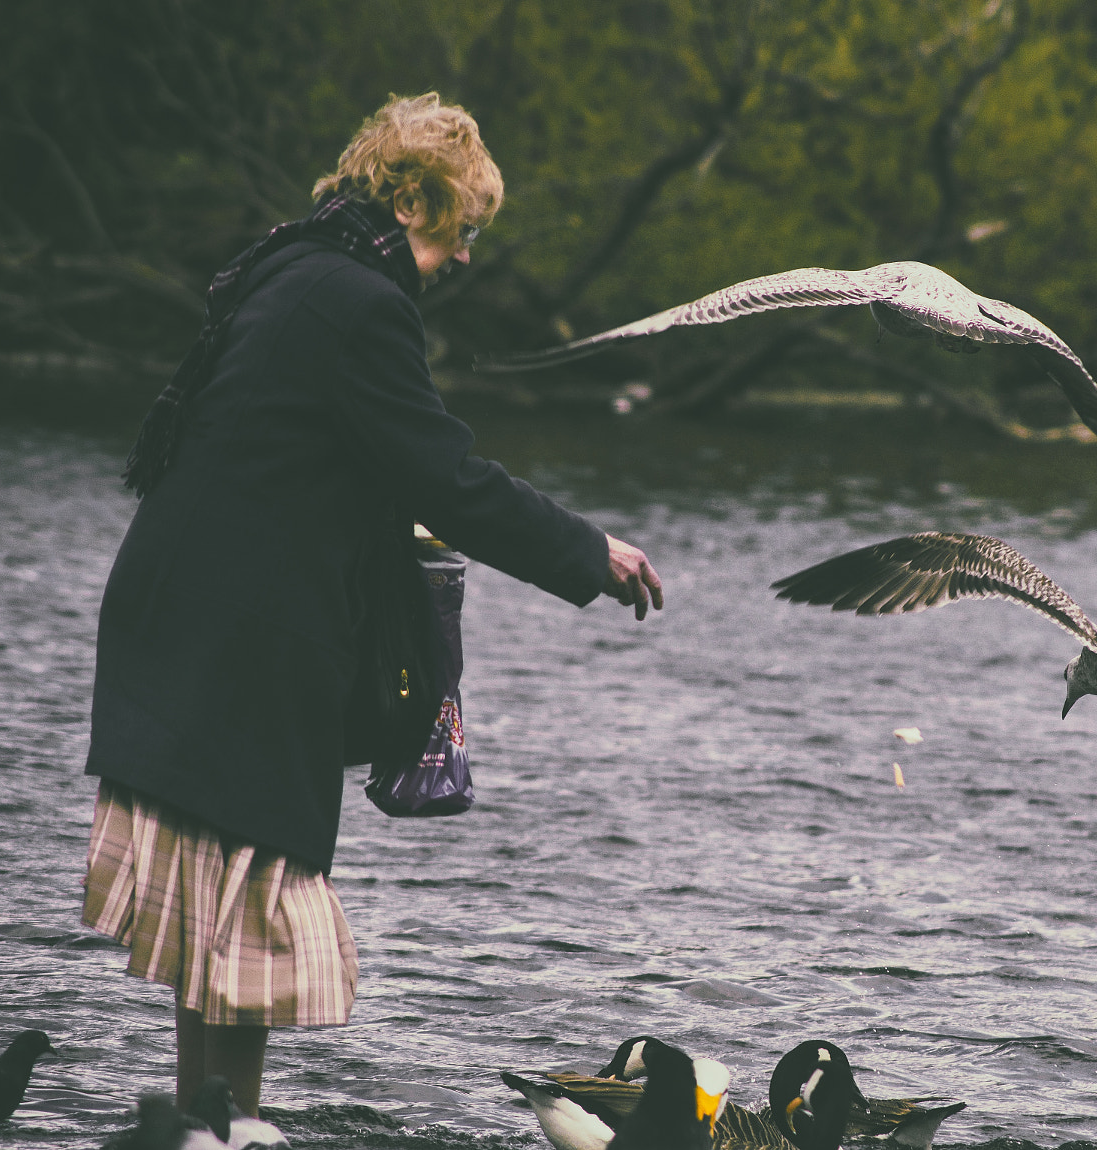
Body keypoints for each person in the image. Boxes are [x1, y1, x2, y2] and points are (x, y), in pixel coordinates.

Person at [78, 92, 663, 1118]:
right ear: (416, 198)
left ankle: (200, 1131)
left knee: (212, 936)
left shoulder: (286, 266)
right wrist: (588, 552)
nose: (471, 254)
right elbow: (443, 473)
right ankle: (237, 1132)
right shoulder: (360, 302)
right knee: (248, 927)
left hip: (179, 622)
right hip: (239, 648)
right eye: (465, 227)